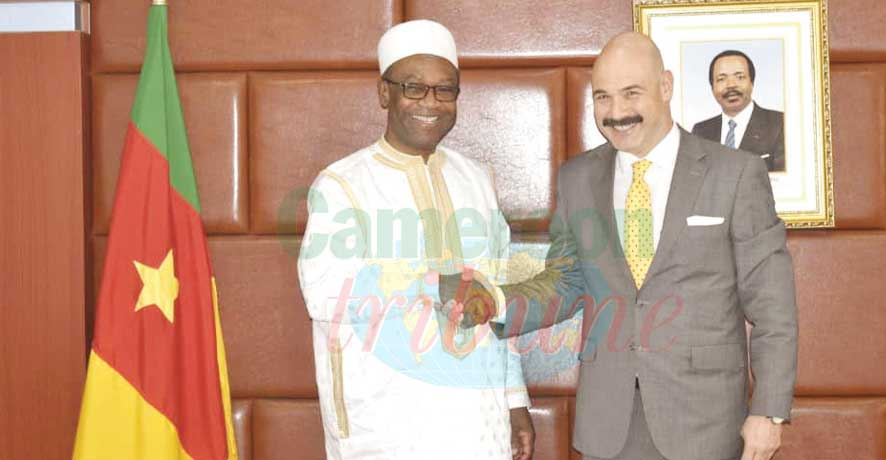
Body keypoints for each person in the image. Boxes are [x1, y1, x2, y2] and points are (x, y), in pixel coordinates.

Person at [445, 32, 797, 460]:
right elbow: (566, 283)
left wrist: (769, 412)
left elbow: (773, 305)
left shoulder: (735, 173)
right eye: (603, 97)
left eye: (631, 93)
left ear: (665, 86)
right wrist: (494, 303)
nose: (615, 113)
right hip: (608, 422)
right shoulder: (577, 178)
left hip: (705, 422)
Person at [297, 19, 533, 460]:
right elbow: (325, 294)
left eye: (445, 90)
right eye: (414, 88)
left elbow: (497, 298)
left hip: (478, 422)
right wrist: (431, 285)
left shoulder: (476, 180)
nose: (431, 102)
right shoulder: (343, 184)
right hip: (388, 425)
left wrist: (514, 400)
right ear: (385, 93)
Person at [692, 50, 786, 172]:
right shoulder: (701, 132)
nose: (731, 85)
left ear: (752, 82)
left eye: (740, 77)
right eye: (721, 79)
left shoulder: (780, 123)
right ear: (712, 87)